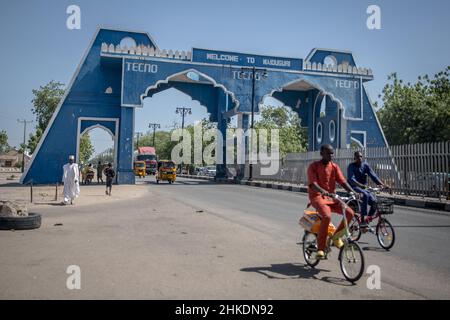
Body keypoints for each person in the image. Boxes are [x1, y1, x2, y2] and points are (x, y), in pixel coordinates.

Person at [307, 144, 358, 259]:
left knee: (350, 213)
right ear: (322, 154)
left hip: (332, 197)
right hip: (317, 197)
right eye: (328, 153)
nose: (331, 155)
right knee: (327, 216)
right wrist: (323, 191)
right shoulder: (313, 166)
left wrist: (353, 192)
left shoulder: (334, 166)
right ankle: (320, 248)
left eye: (332, 153)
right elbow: (313, 184)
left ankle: (336, 237)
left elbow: (343, 181)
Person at [347, 151, 387, 228]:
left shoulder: (365, 165)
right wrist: (360, 185)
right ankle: (362, 219)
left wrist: (381, 184)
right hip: (355, 187)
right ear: (354, 158)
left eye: (361, 157)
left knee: (374, 202)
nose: (360, 158)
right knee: (364, 195)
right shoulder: (351, 166)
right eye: (358, 157)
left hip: (364, 188)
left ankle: (367, 220)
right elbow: (351, 179)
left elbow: (373, 176)